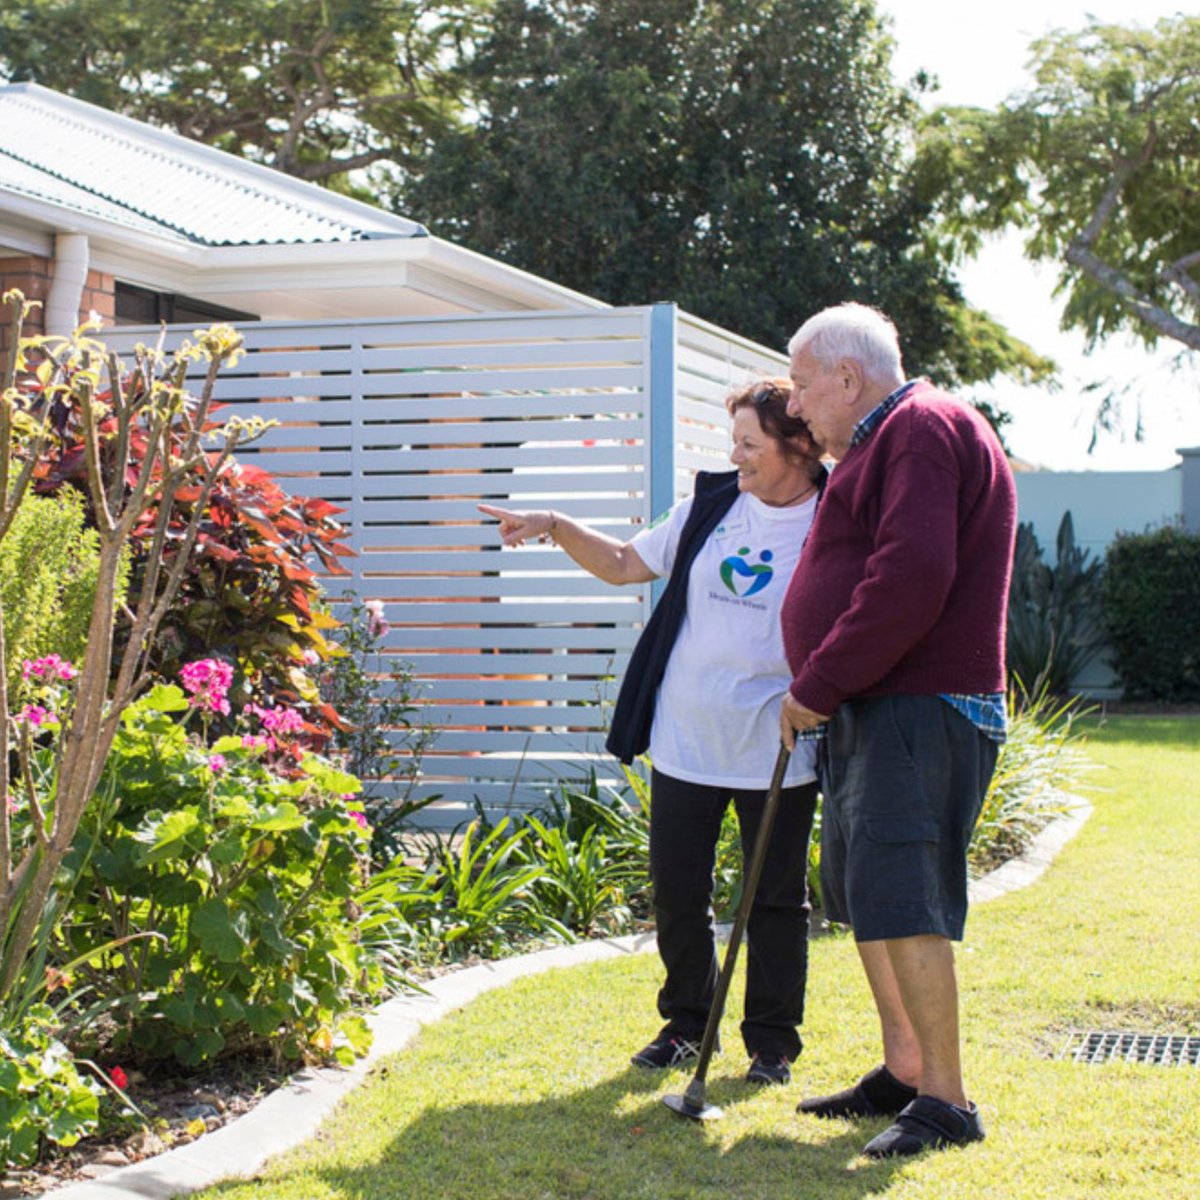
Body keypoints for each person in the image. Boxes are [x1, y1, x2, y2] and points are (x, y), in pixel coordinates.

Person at [480, 380, 824, 1085]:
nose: (736, 456)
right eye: (734, 442)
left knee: (776, 899)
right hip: (687, 737)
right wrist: (553, 521)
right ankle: (687, 1027)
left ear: (797, 446)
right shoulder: (713, 503)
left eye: (749, 444)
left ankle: (772, 1046)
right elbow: (623, 564)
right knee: (676, 890)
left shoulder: (836, 520)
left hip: (778, 747)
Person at [778, 302, 1016, 1157]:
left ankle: (946, 1100)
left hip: (916, 704)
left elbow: (911, 576)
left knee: (905, 896)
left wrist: (820, 679)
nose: (796, 406)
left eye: (804, 386)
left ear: (849, 378)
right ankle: (906, 1070)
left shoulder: (919, 427)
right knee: (870, 892)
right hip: (877, 705)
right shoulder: (883, 442)